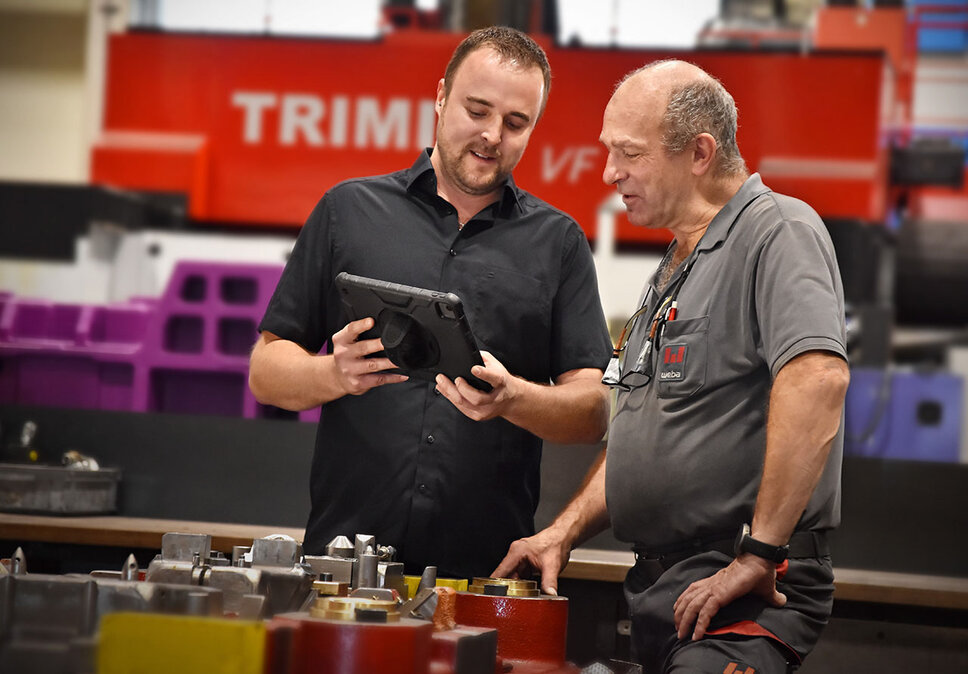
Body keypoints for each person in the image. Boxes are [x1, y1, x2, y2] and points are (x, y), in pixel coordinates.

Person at [494, 60, 851, 672]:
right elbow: (643, 433)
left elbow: (819, 378)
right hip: (664, 593)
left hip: (744, 590)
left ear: (700, 153)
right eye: (609, 151)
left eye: (630, 153)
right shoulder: (676, 266)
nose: (610, 173)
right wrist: (563, 532)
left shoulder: (779, 231)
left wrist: (760, 552)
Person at [248, 26, 612, 580]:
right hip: (342, 567)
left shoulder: (558, 243)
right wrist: (334, 373)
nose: (492, 135)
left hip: (485, 576)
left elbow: (594, 410)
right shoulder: (348, 211)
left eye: (516, 123)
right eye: (477, 110)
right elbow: (266, 372)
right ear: (441, 97)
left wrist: (513, 398)